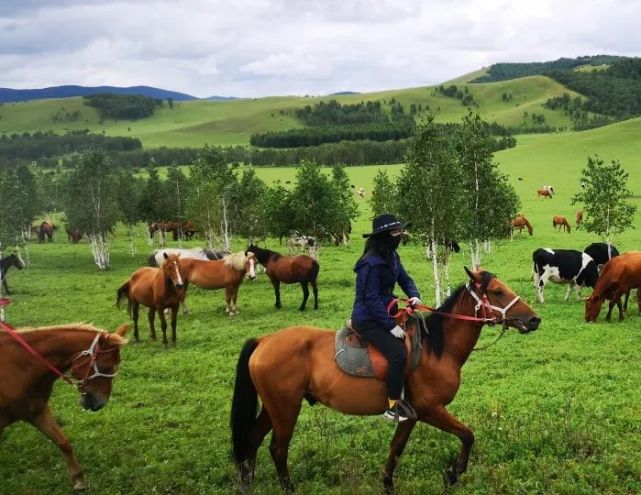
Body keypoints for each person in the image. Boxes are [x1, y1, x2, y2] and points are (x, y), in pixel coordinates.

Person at [351, 213, 422, 422]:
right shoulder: (370, 263)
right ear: (383, 236)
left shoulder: (392, 256)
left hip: (386, 311)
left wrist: (414, 294)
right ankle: (392, 406)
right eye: (395, 233)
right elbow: (370, 299)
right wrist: (390, 326)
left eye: (400, 231)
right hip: (368, 319)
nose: (399, 236)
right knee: (397, 354)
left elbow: (404, 278)